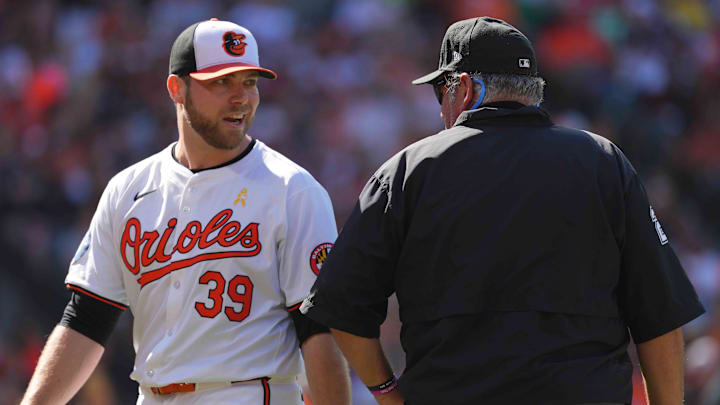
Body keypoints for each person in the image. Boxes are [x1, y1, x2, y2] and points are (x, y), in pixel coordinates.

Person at [302, 16, 705, 405]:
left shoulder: (409, 170)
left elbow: (341, 307)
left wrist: (388, 393)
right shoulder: (603, 162)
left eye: (439, 91)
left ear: (464, 88)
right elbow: (660, 316)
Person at [21, 19, 350, 405]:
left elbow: (319, 331)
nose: (240, 97)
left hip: (246, 393)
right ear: (177, 89)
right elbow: (87, 319)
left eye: (249, 82)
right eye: (221, 82)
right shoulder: (128, 190)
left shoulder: (292, 190)